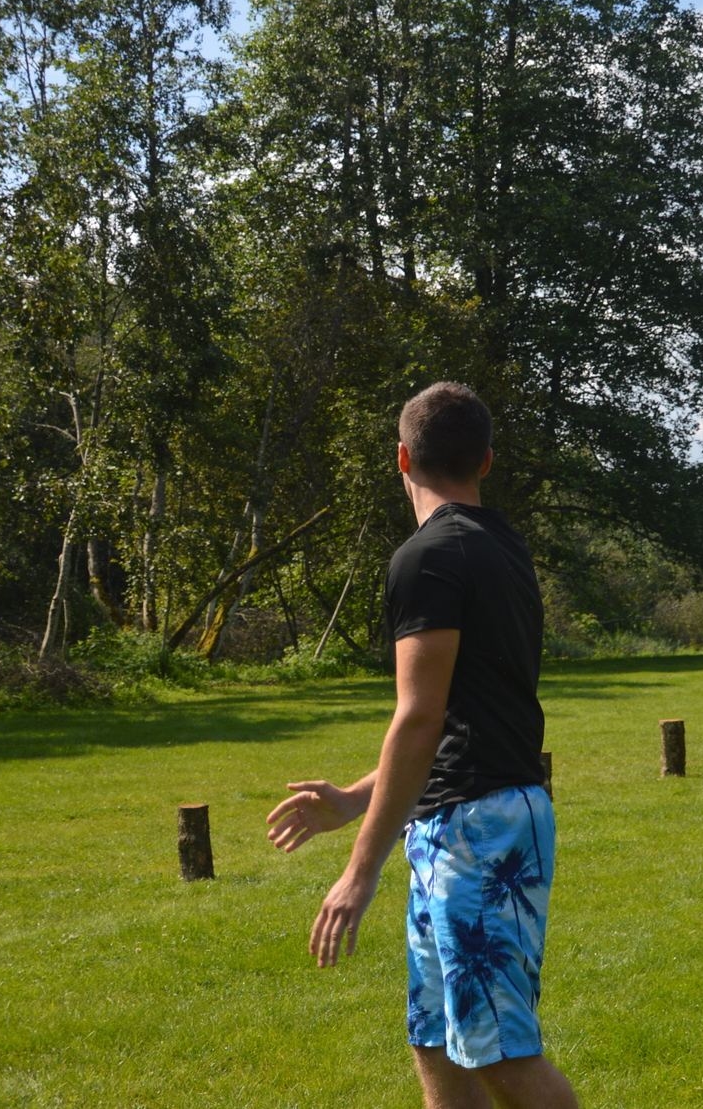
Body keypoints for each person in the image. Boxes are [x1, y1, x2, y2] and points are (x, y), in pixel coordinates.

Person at [265, 382, 577, 1109]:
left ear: (402, 458)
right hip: (467, 818)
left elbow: (419, 717)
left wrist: (360, 869)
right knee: (435, 1039)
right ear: (486, 461)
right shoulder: (502, 546)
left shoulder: (429, 556)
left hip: (479, 831)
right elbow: (463, 721)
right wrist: (355, 799)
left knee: (501, 1054)